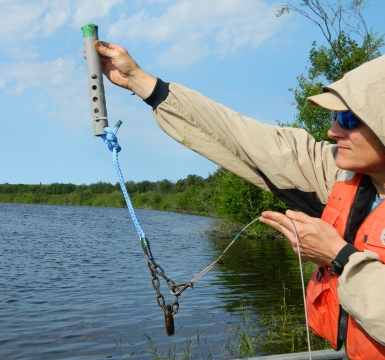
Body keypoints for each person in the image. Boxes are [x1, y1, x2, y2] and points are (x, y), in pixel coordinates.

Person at [90, 40, 385, 359]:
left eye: (350, 120)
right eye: (337, 116)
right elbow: (244, 138)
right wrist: (138, 79)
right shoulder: (340, 173)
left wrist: (337, 256)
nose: (332, 131)